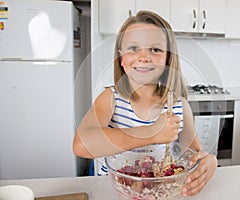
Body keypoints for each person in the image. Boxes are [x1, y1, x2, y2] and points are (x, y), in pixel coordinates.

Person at [73, 10, 217, 197]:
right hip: (114, 192)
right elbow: (81, 145)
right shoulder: (110, 98)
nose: (144, 57)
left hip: (159, 192)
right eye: (133, 48)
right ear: (121, 58)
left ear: (168, 58)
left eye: (155, 49)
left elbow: (194, 156)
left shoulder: (180, 106)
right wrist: (151, 132)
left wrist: (210, 162)